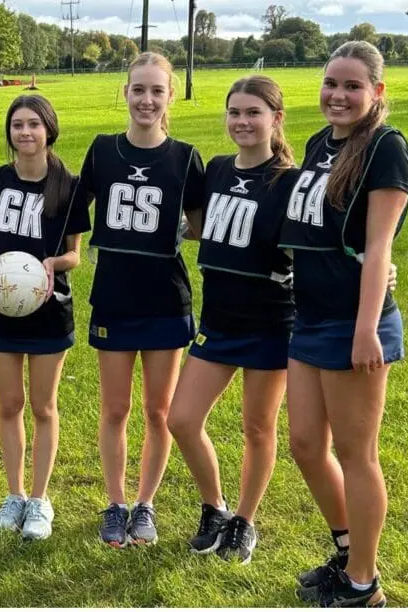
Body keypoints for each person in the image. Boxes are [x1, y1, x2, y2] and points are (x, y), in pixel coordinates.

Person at [279, 41, 408, 607]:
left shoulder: (386, 148)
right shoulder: (317, 144)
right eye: (331, 83)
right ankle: (346, 551)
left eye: (353, 86)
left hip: (354, 323)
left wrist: (366, 330)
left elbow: (379, 246)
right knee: (307, 445)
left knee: (357, 454)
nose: (338, 94)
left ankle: (364, 582)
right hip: (308, 316)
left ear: (377, 92)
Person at [78, 52, 206, 547]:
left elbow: (199, 227)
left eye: (157, 90)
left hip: (165, 299)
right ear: (125, 93)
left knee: (158, 411)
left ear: (169, 95)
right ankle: (115, 503)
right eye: (138, 90)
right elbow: (68, 209)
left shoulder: (185, 157)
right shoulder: (102, 150)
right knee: (114, 409)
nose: (146, 100)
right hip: (113, 297)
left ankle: (145, 505)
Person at [167, 75, 296, 565]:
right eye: (235, 113)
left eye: (253, 113)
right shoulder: (217, 169)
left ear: (275, 119)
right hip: (218, 321)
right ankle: (214, 507)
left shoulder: (291, 181)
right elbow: (200, 227)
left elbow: (319, 246)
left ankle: (245, 520)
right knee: (181, 418)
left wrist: (378, 266)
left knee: (258, 428)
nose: (242, 122)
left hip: (270, 322)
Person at [0, 94, 90, 541]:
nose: (25, 132)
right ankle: (14, 494)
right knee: (9, 405)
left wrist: (49, 267)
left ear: (49, 130)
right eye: (17, 124)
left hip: (48, 308)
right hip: (0, 304)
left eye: (34, 124)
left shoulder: (68, 185)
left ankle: (40, 500)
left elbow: (75, 256)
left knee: (42, 406)